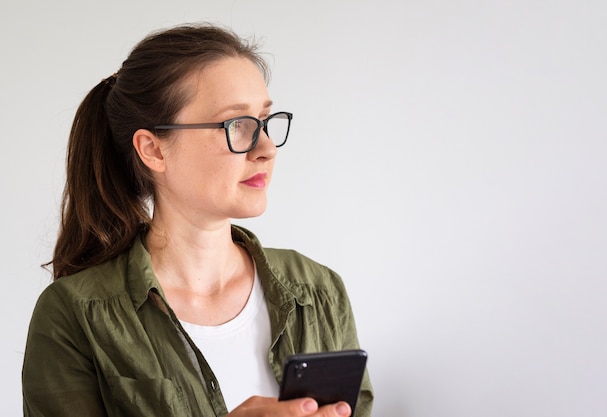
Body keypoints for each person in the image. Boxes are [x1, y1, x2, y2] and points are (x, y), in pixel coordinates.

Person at [21, 23, 373, 417]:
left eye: (264, 121)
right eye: (237, 125)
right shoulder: (74, 315)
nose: (267, 148)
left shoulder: (318, 290)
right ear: (153, 150)